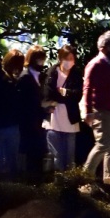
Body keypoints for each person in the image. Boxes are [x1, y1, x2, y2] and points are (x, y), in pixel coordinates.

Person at [82, 30, 110, 179]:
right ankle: (84, 178)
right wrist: (88, 111)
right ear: (103, 48)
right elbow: (87, 88)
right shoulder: (95, 64)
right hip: (97, 108)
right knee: (103, 144)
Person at [43, 43, 83, 172]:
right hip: (54, 119)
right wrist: (63, 97)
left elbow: (77, 95)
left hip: (70, 120)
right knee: (57, 157)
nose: (69, 62)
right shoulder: (52, 72)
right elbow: (49, 93)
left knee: (70, 158)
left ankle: (71, 185)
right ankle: (58, 185)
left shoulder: (76, 74)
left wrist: (64, 92)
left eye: (72, 59)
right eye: (67, 59)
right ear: (60, 58)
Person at [17, 45, 48, 179]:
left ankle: (37, 183)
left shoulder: (40, 77)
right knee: (31, 156)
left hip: (38, 122)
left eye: (43, 59)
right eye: (39, 59)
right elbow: (24, 103)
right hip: (29, 124)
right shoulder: (25, 77)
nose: (41, 63)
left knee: (39, 155)